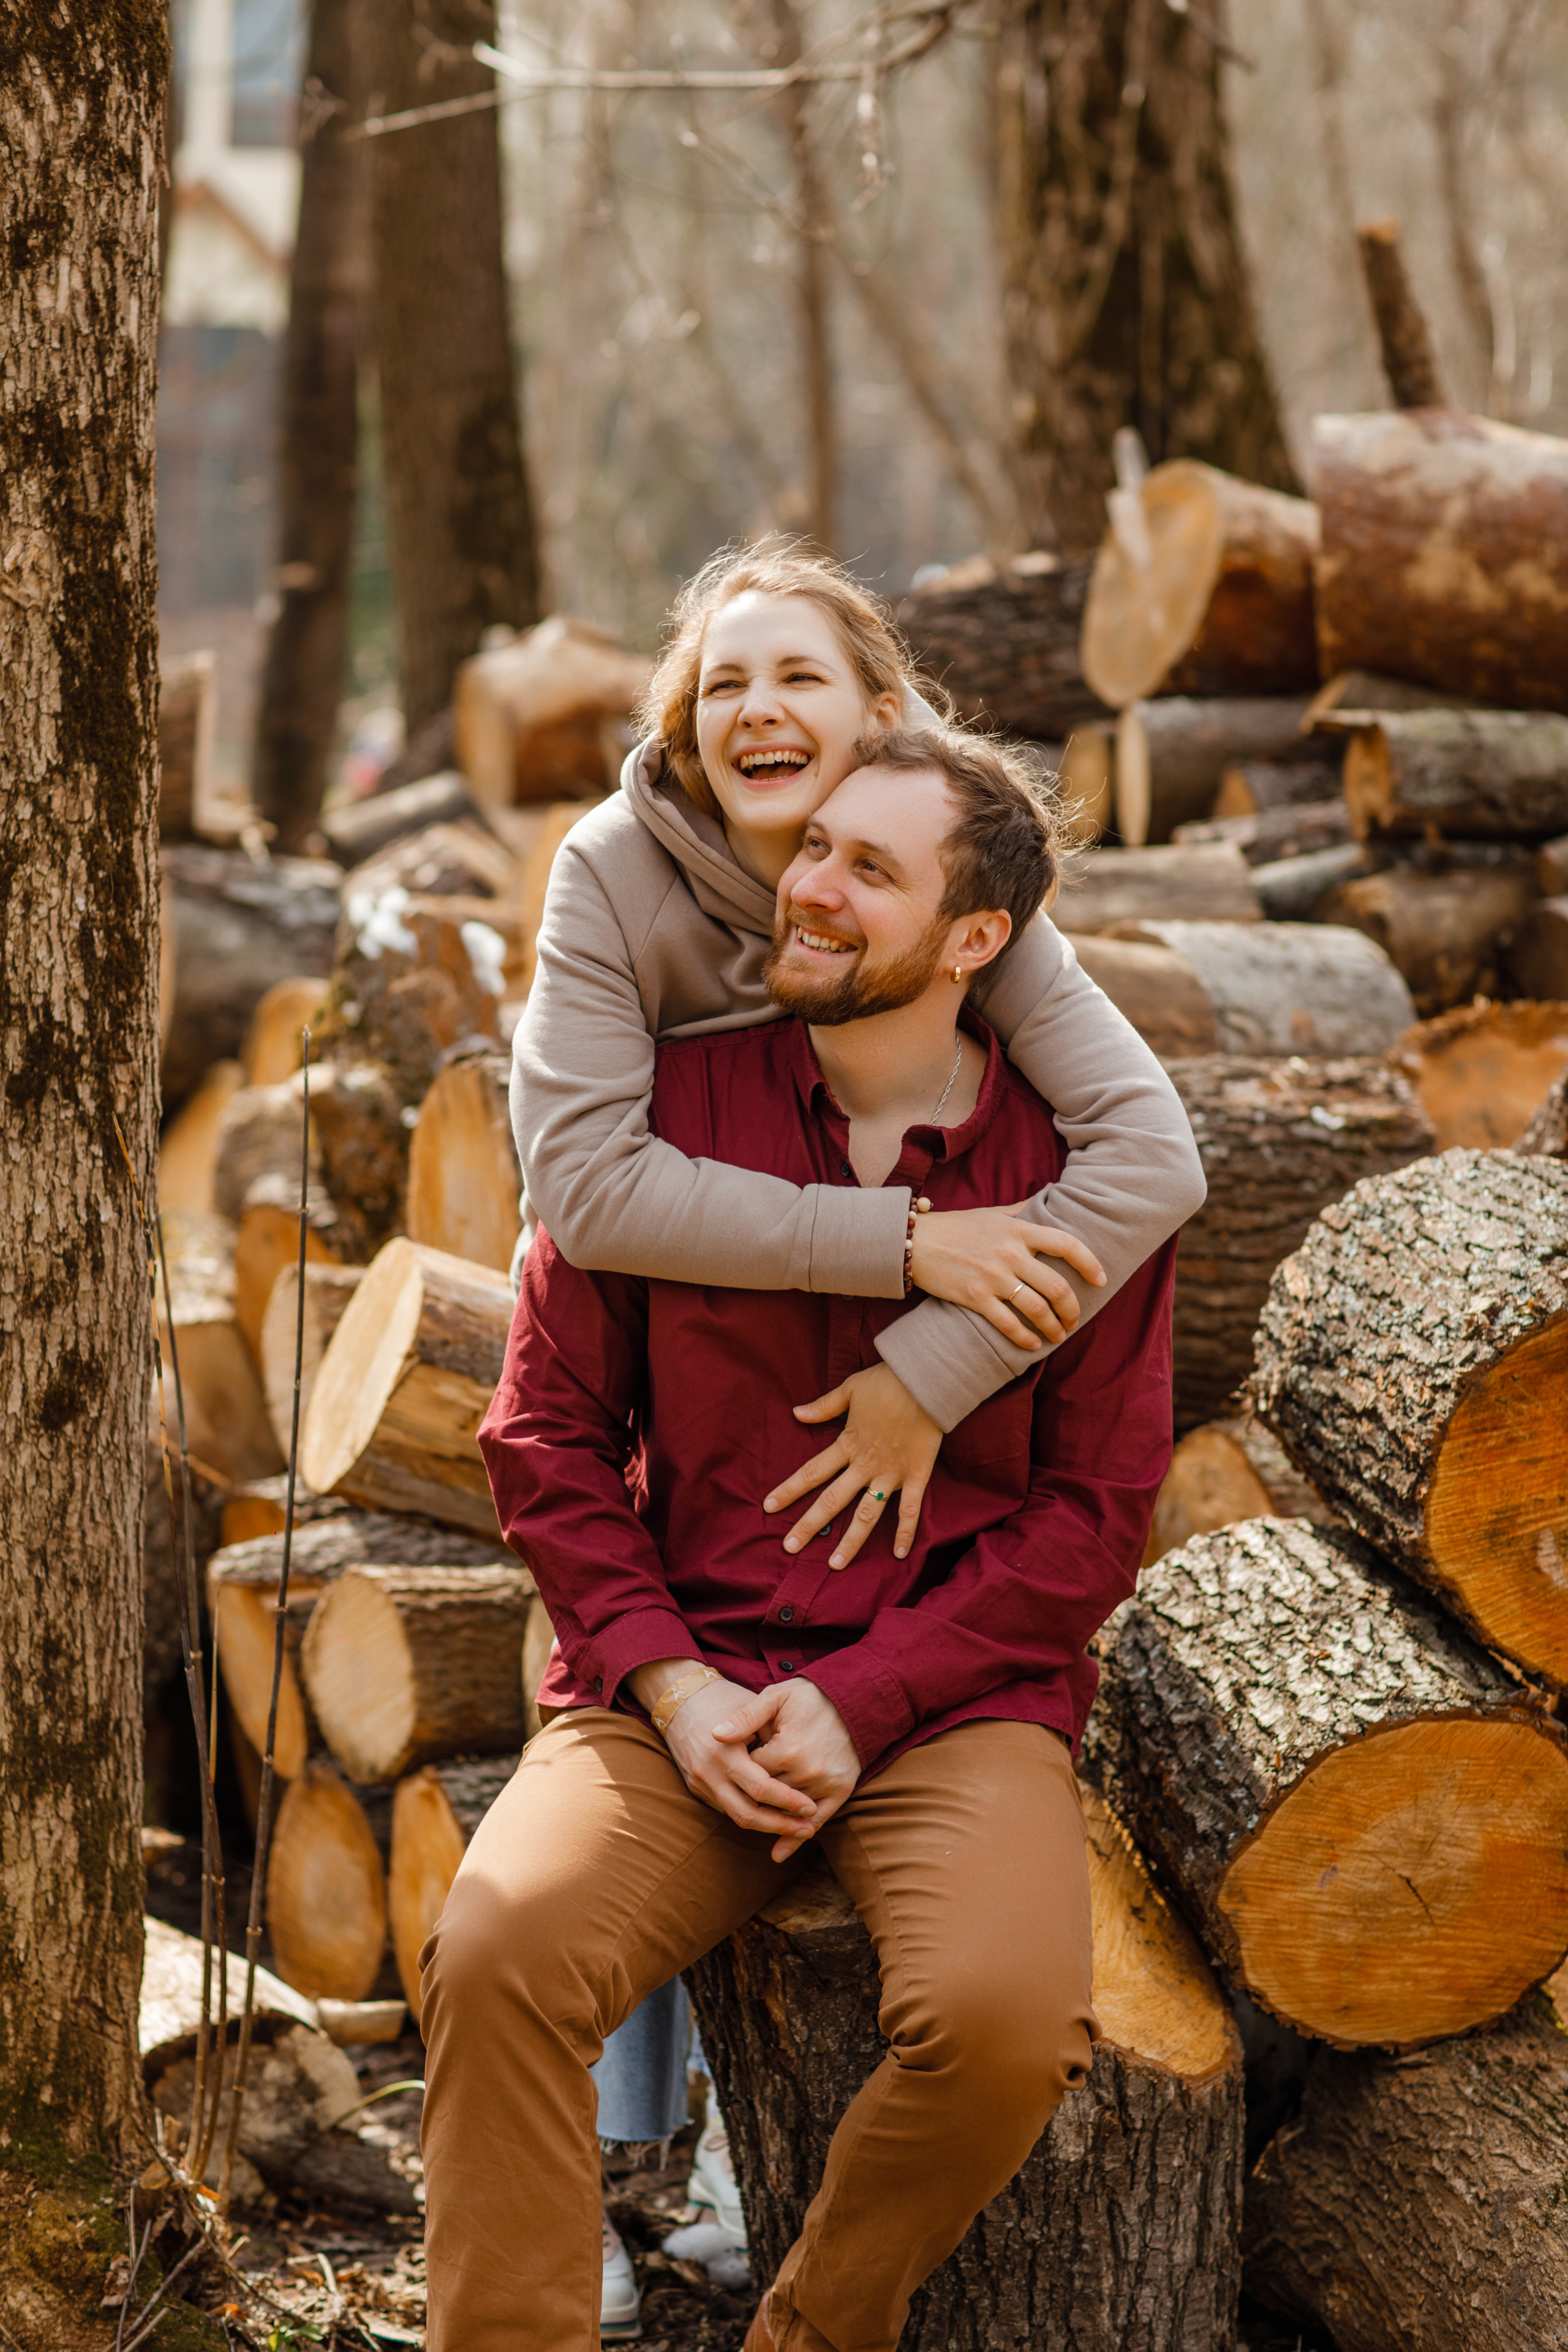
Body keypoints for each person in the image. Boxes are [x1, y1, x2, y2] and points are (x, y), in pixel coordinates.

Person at [423, 726, 1178, 2351]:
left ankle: (812, 2332)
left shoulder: (1067, 1178)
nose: (813, 889)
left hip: (947, 1696)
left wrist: (871, 1699)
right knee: (493, 1952)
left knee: (1000, 2025)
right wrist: (671, 1686)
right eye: (814, 845)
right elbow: (543, 1440)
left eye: (872, 870)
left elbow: (1092, 1520)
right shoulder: (656, 1126)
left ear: (976, 941)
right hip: (675, 1672)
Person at [512, 540, 1204, 1574]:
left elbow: (1152, 1153)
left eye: (799, 676)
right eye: (722, 685)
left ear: (880, 718)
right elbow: (584, 1185)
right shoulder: (610, 872)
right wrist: (906, 1243)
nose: (755, 706)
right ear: (690, 728)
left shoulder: (939, 853)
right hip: (684, 1322)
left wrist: (940, 1367)